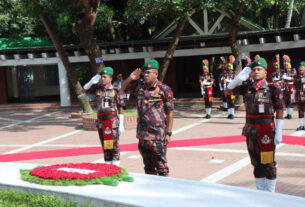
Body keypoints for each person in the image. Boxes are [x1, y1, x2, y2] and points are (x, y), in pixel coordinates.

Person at [225, 57, 284, 192]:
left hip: (266, 131)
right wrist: (239, 78)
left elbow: (280, 109)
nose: (256, 72)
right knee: (255, 162)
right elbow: (227, 91)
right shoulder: (247, 88)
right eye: (254, 70)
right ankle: (260, 191)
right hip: (251, 130)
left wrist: (279, 131)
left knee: (268, 162)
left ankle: (270, 193)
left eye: (259, 69)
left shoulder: (273, 88)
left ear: (265, 72)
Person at [120, 59, 174, 176]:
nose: (146, 75)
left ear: (156, 73)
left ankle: (165, 191)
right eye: (144, 73)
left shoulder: (164, 89)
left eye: (149, 72)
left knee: (161, 167)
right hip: (143, 135)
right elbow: (122, 90)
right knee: (148, 168)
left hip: (157, 135)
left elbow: (170, 112)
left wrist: (168, 133)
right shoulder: (139, 86)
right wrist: (130, 78)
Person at [83, 67, 125, 166]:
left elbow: (121, 108)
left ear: (110, 78)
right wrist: (91, 82)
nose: (102, 79)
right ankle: (108, 167)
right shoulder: (97, 89)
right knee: (106, 146)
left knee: (114, 146)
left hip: (112, 122)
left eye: (105, 77)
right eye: (101, 77)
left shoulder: (116, 90)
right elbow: (83, 91)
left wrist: (121, 124)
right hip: (102, 122)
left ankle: (116, 168)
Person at [282, 55, 296, 119]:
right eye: (285, 65)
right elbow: (282, 78)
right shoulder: (283, 71)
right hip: (285, 87)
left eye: (287, 65)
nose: (286, 67)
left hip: (291, 87)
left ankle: (290, 114)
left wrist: (287, 77)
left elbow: (294, 78)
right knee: (286, 101)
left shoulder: (293, 71)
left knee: (291, 101)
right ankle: (288, 114)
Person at [294, 61, 305, 131]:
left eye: (302, 66)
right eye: (299, 67)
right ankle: (302, 125)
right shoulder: (296, 77)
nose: (300, 68)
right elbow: (294, 87)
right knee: (300, 111)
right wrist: (292, 97)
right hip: (298, 96)